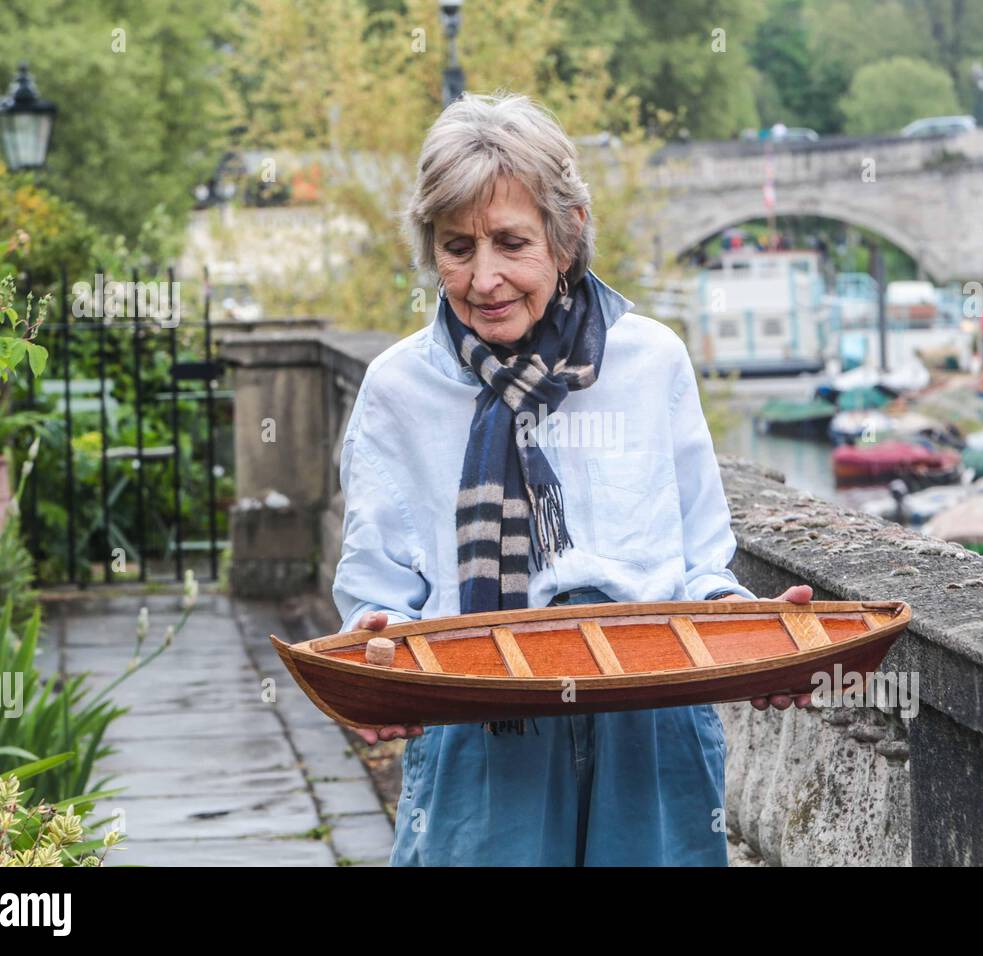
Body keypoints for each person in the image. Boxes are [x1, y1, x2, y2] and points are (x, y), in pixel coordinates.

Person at [332, 91, 813, 867]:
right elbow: (375, 593)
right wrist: (371, 662)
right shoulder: (398, 389)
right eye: (458, 247)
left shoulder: (651, 361)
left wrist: (762, 639)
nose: (484, 278)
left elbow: (698, 567)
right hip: (481, 720)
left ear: (566, 236)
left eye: (511, 242)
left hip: (650, 721)